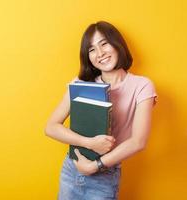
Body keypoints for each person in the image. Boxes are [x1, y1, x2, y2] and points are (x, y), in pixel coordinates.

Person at [44, 21, 157, 200]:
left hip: (104, 175)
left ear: (117, 44)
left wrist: (94, 166)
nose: (100, 53)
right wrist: (89, 143)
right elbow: (50, 127)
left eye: (104, 43)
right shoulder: (81, 83)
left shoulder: (142, 86)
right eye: (92, 49)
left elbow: (138, 141)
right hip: (71, 169)